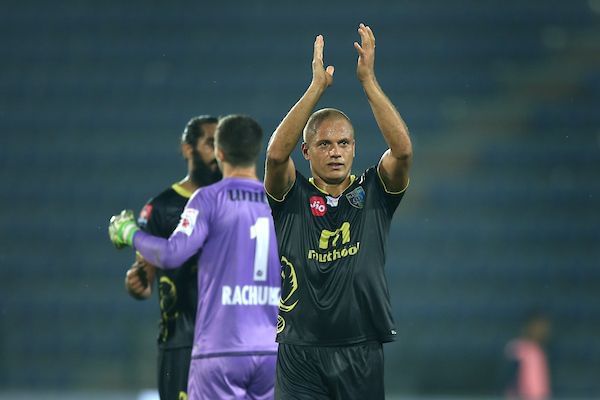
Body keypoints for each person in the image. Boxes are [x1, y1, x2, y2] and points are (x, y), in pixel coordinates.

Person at [264, 23, 412, 399]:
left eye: (343, 143)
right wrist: (316, 89)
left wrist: (368, 81)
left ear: (353, 147)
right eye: (325, 143)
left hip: (361, 348)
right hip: (300, 351)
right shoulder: (291, 195)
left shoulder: (374, 191)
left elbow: (403, 152)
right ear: (307, 151)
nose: (335, 151)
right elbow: (275, 155)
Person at [110, 115, 280, 400]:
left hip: (219, 346)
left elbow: (171, 253)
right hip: (270, 348)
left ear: (221, 152)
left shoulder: (207, 199)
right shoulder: (279, 200)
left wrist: (128, 233)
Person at [123, 116, 222, 400]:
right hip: (181, 343)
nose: (217, 152)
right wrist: (137, 282)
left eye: (221, 145)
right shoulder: (161, 208)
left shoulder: (233, 200)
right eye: (209, 143)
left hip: (230, 341)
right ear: (187, 149)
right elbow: (144, 277)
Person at [502, 312, 552, 400]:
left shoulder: (539, 352)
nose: (541, 331)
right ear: (528, 326)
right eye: (537, 327)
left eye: (543, 327)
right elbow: (510, 379)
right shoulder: (517, 349)